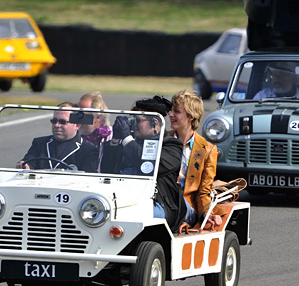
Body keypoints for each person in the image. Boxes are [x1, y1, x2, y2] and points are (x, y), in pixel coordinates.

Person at [111, 97, 186, 230]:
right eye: (132, 121)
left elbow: (149, 165)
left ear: (154, 121)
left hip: (158, 203)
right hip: (122, 199)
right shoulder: (129, 143)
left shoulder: (171, 146)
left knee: (128, 213)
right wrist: (116, 139)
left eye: (138, 121)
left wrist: (127, 139)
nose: (133, 125)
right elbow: (106, 168)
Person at [168, 89, 220, 229]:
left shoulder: (208, 150)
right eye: (171, 110)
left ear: (191, 116)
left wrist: (206, 214)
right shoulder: (162, 140)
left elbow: (204, 192)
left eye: (176, 111)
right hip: (163, 200)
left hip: (186, 207)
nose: (170, 114)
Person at [18, 104, 98, 172]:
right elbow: (28, 162)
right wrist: (23, 165)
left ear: (77, 125)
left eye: (62, 122)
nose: (57, 125)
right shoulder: (39, 143)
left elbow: (87, 181)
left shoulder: (88, 151)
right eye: (54, 121)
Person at [77, 92, 114, 171]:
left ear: (98, 118)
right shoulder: (76, 139)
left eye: (82, 114)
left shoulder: (115, 137)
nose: (77, 118)